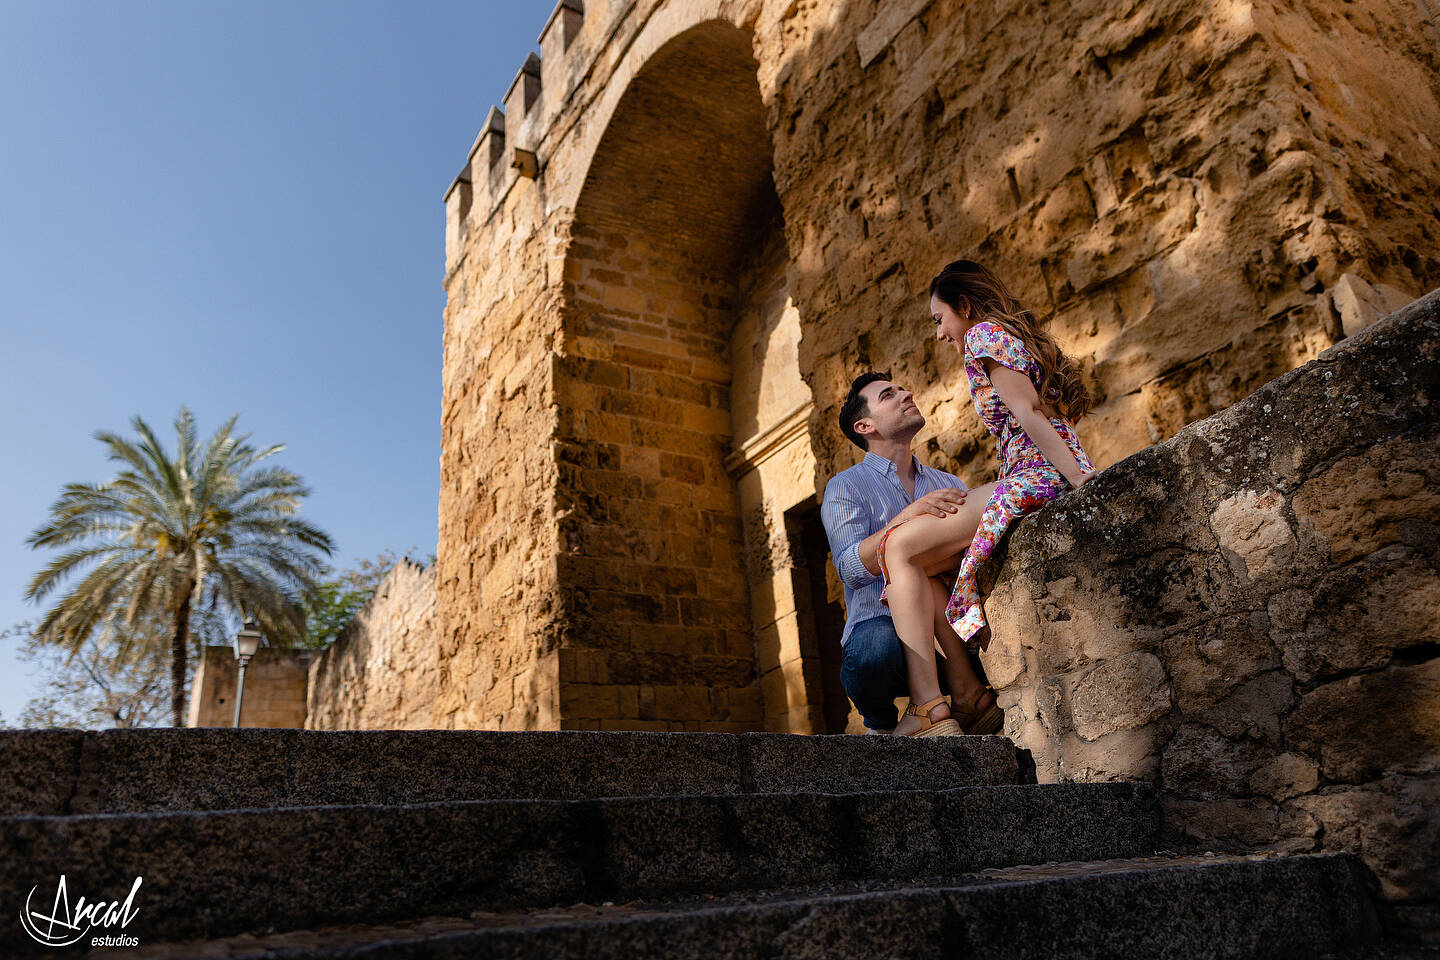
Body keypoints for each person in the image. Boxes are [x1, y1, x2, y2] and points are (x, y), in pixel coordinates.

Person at [878, 260, 1097, 737]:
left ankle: (927, 709)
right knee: (916, 567)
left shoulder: (982, 336)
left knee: (897, 547)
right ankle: (963, 694)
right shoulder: (1009, 336)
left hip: (1036, 474)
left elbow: (1028, 411)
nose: (940, 334)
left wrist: (1079, 478)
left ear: (964, 306)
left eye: (940, 320)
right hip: (1038, 470)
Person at [820, 372, 997, 737]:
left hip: (947, 624)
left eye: (902, 389)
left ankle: (957, 700)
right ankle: (882, 727)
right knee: (874, 650)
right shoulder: (845, 487)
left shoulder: (948, 484)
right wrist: (905, 520)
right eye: (889, 395)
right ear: (865, 425)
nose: (906, 394)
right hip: (882, 630)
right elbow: (852, 570)